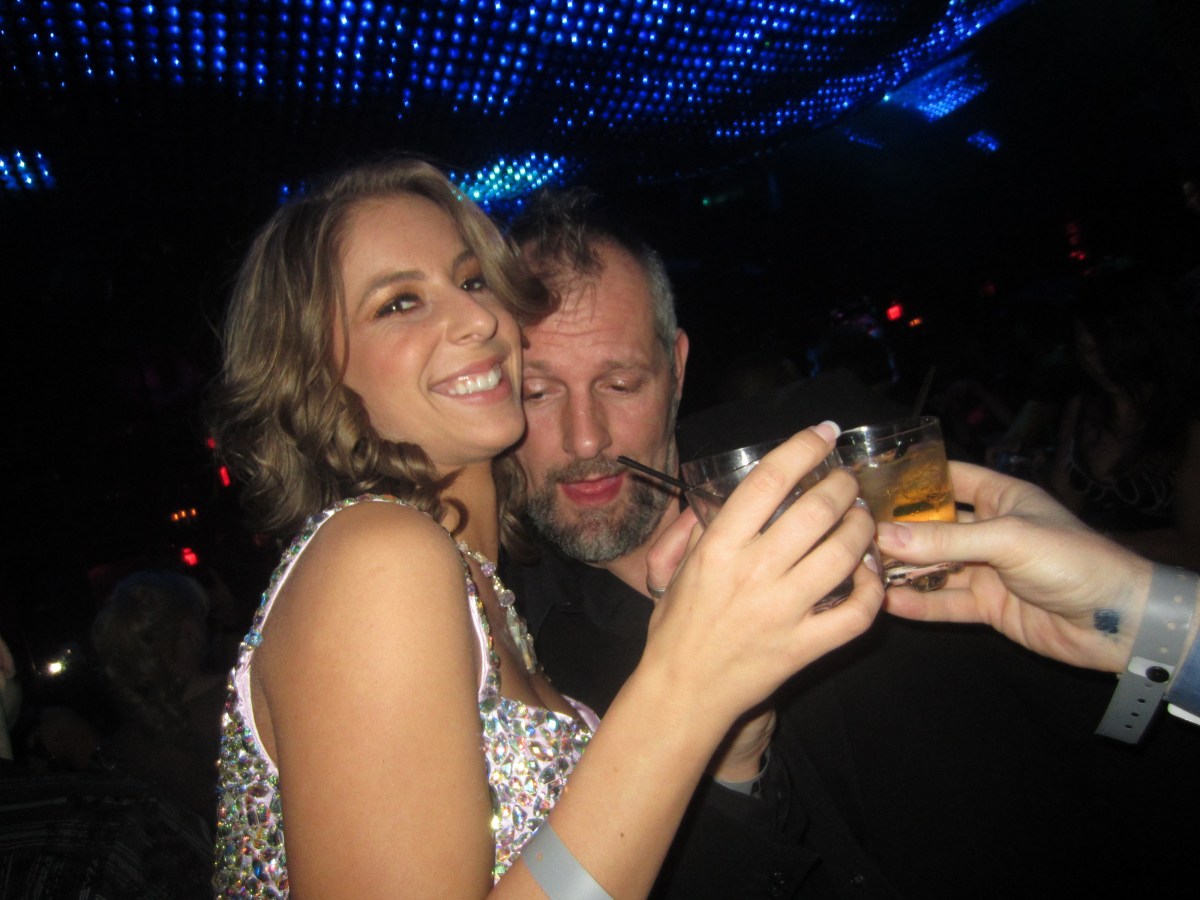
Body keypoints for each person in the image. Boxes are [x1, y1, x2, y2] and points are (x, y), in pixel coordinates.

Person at [206, 156, 883, 897]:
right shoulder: (376, 555)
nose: (481, 318)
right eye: (400, 302)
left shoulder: (477, 590)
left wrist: (732, 746)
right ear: (312, 370)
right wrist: (689, 681)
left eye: (472, 282)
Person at [505, 188, 1200, 897]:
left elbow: (1116, 730)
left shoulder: (854, 459)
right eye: (537, 392)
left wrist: (1146, 618)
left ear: (676, 369)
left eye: (621, 383)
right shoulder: (511, 659)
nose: (585, 439)